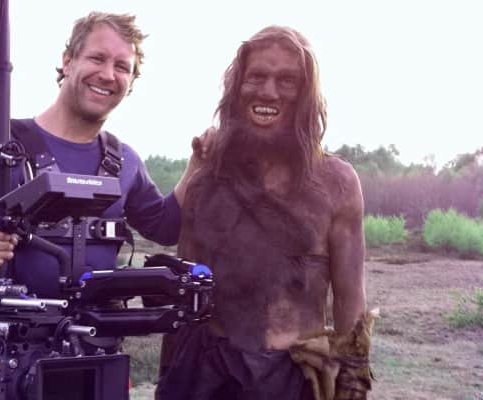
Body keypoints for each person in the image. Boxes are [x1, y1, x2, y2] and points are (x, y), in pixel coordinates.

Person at [156, 26, 372, 400]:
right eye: (256, 77)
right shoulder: (209, 178)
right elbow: (185, 293)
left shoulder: (336, 183)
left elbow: (350, 299)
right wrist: (168, 377)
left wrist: (352, 384)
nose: (268, 92)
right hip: (207, 374)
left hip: (293, 377)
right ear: (238, 86)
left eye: (287, 81)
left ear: (305, 94)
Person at [0, 12, 201, 299]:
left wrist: (197, 166)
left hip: (101, 327)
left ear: (131, 83)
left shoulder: (125, 161)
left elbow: (165, 228)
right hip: (14, 325)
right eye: (97, 58)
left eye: (122, 67)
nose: (108, 75)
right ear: (68, 62)